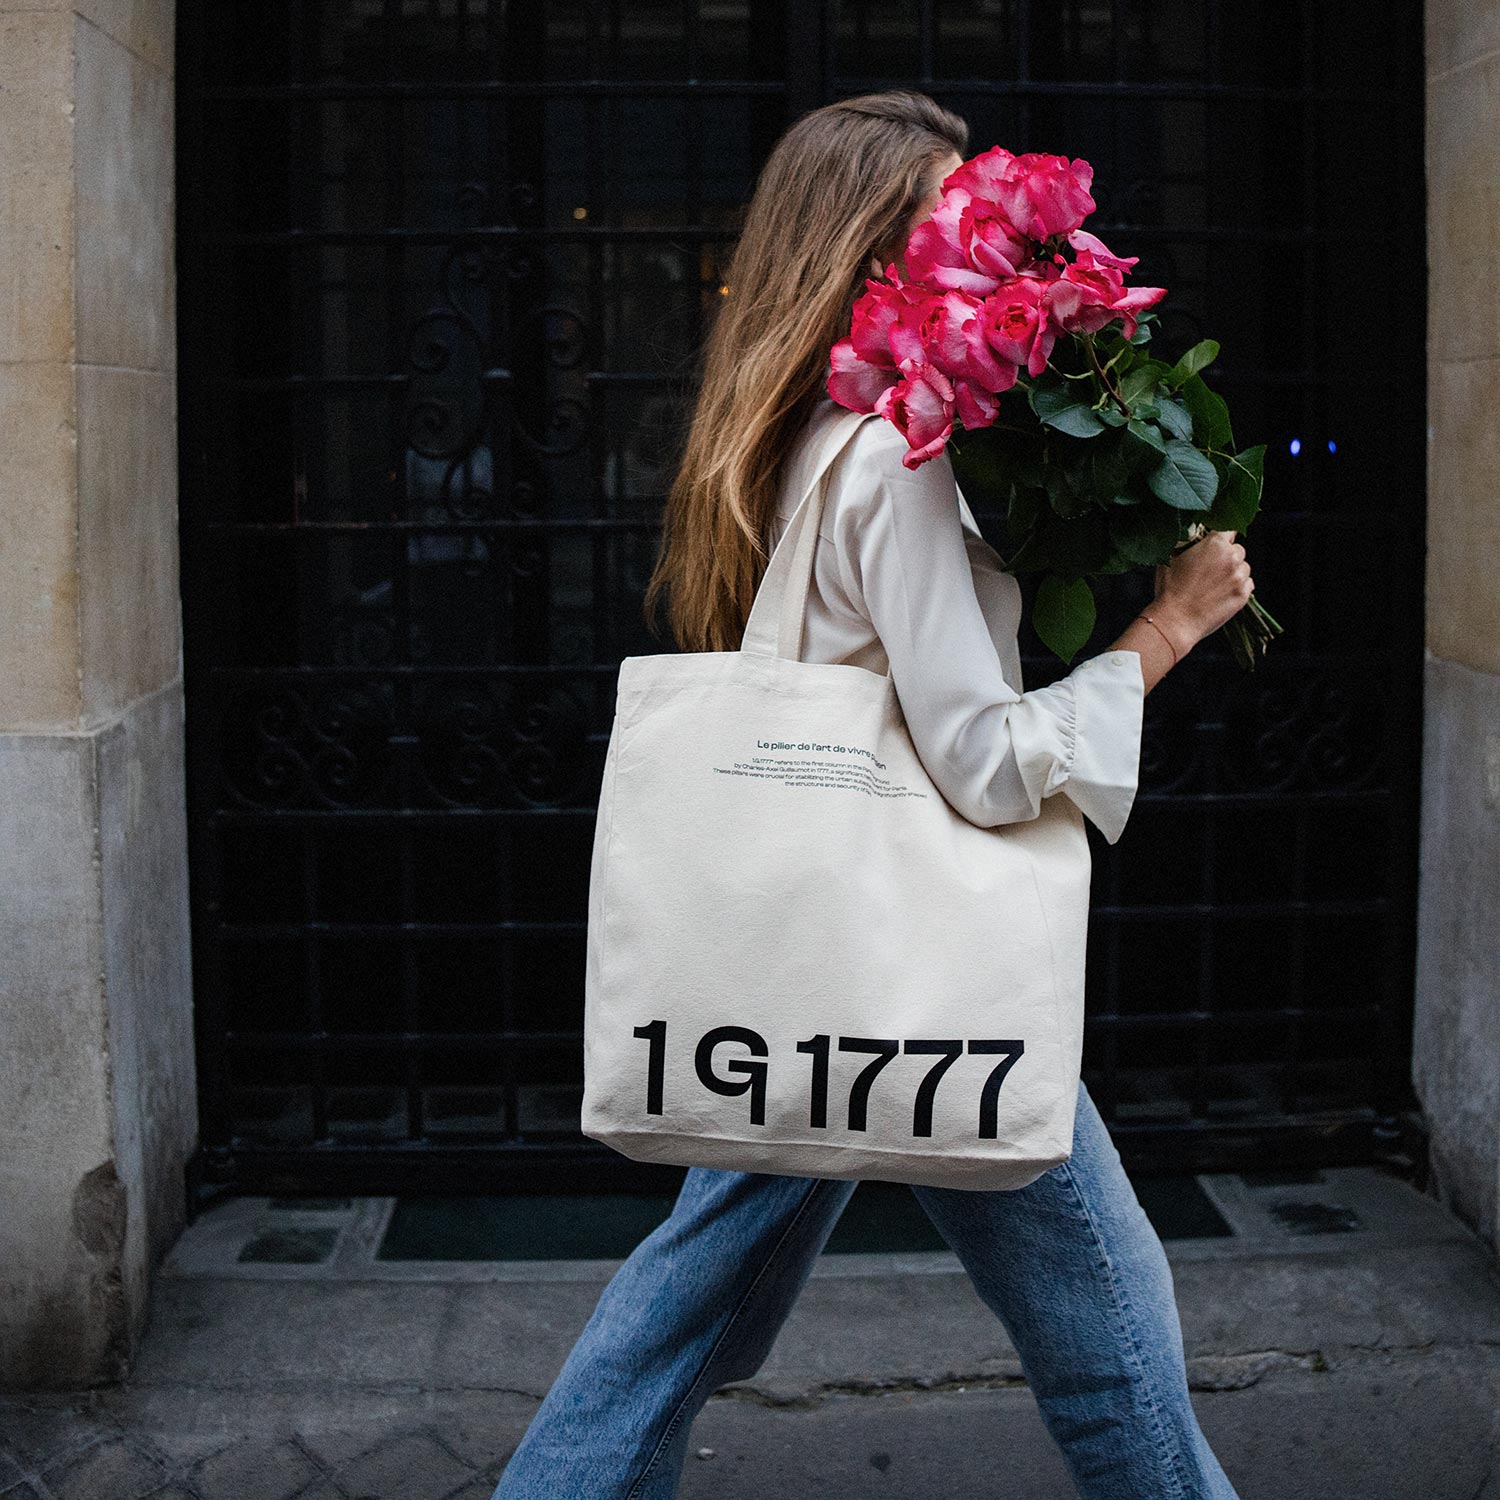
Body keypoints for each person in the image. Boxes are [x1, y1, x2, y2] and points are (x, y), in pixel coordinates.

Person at [494, 90, 1251, 1500]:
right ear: (876, 251)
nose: (989, 247)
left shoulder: (793, 434)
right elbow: (978, 759)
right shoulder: (893, 458)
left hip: (819, 963)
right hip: (905, 974)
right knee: (1109, 1326)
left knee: (675, 1321)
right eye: (953, 218)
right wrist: (1168, 630)